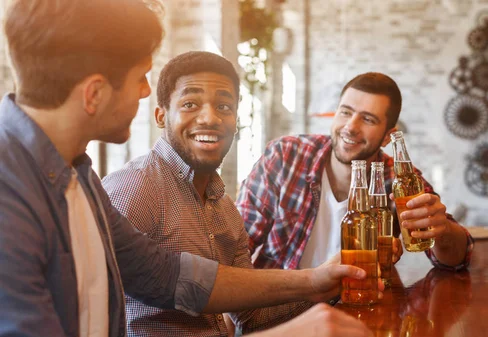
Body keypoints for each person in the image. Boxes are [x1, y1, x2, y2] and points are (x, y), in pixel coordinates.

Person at [0, 1, 373, 337]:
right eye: (140, 77)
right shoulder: (10, 195)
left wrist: (314, 280)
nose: (146, 92)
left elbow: (168, 275)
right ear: (94, 93)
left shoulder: (80, 178)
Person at [102, 51, 373, 336]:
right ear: (160, 116)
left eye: (224, 106)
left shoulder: (224, 208)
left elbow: (253, 316)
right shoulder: (134, 188)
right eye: (190, 104)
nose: (210, 118)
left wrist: (332, 283)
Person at [237, 72, 474, 271]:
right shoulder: (286, 156)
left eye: (368, 119)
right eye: (345, 112)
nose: (351, 127)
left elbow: (456, 260)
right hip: (279, 312)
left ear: (388, 136)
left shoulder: (397, 178)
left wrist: (441, 230)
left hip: (357, 312)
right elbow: (237, 244)